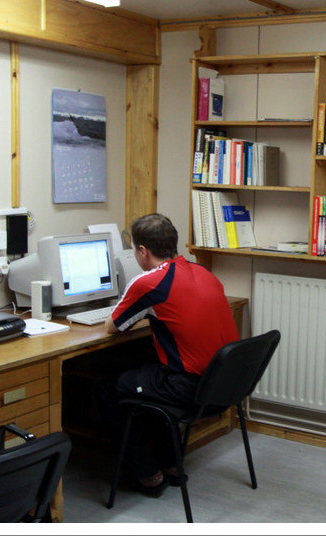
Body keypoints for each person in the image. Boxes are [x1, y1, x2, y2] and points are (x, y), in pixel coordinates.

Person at [98, 213, 239, 497]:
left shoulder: (150, 282)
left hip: (189, 388)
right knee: (145, 371)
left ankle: (148, 474)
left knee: (106, 389)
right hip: (225, 384)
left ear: (141, 251)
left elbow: (113, 326)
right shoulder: (203, 272)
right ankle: (173, 466)